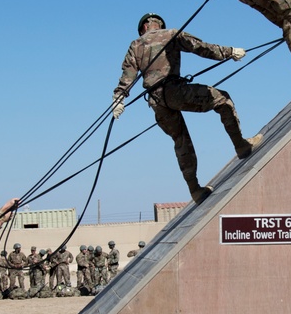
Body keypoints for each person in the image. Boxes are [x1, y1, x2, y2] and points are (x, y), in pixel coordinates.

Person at [112, 12, 264, 204]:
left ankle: (195, 190)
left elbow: (127, 77)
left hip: (156, 102)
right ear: (158, 24)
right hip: (175, 91)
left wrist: (118, 99)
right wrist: (229, 52)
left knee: (181, 140)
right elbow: (199, 47)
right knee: (223, 100)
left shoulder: (135, 46)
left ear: (143, 27)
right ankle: (241, 146)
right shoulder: (170, 34)